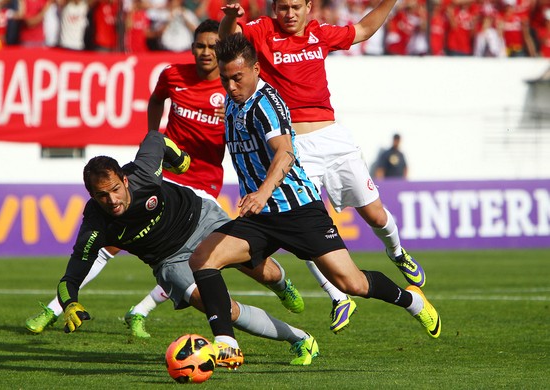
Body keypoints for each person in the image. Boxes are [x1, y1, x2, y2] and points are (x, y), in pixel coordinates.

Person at [25, 19, 305, 338]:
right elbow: (155, 121)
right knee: (109, 246)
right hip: (169, 178)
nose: (205, 52)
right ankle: (59, 307)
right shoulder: (173, 76)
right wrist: (173, 156)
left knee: (258, 269)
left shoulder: (233, 87)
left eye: (213, 46)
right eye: (199, 45)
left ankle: (281, 285)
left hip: (203, 187)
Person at [189, 33, 441, 368]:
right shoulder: (233, 101)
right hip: (261, 218)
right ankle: (227, 344)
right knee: (202, 259)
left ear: (256, 70)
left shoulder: (267, 104)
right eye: (225, 79)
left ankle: (411, 301)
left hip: (298, 211)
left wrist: (263, 193)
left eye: (237, 77)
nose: (232, 85)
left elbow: (286, 153)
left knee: (352, 283)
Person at [219, 0, 427, 333]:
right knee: (303, 218)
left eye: (296, 6)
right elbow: (228, 43)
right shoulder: (261, 31)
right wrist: (229, 18)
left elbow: (364, 30)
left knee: (374, 215)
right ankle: (337, 296)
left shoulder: (320, 33)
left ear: (308, 7)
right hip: (296, 146)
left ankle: (398, 252)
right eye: (283, 7)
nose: (289, 13)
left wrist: (389, 2)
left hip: (332, 137)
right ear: (274, 8)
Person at [56, 131, 320, 367]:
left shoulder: (144, 174)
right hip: (169, 260)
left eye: (115, 189)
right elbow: (73, 273)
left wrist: (180, 158)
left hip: (201, 220)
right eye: (102, 195)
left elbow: (155, 139)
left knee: (268, 273)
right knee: (221, 308)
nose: (112, 200)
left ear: (124, 180)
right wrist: (70, 303)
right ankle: (300, 338)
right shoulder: (95, 223)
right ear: (91, 195)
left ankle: (283, 287)